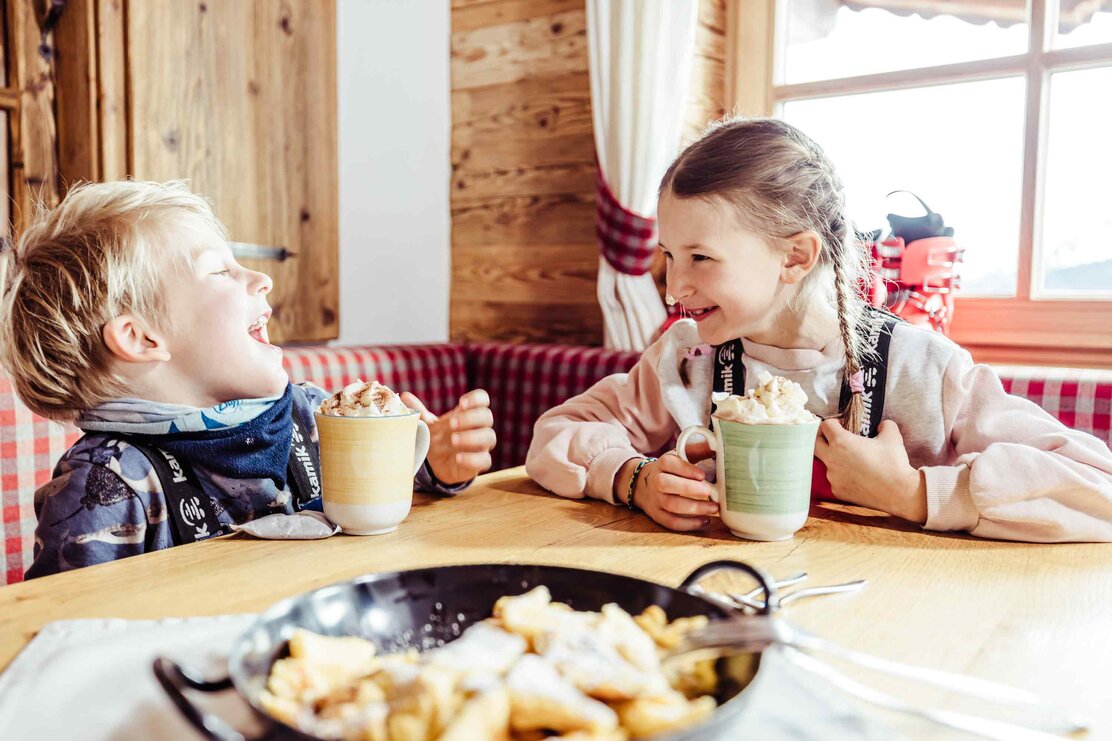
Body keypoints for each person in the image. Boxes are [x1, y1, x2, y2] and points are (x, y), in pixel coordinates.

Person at [527, 117, 1112, 542]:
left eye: (701, 258)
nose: (673, 286)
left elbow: (1098, 490)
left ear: (796, 256)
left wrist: (910, 493)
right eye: (669, 256)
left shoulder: (927, 372)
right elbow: (558, 432)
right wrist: (634, 478)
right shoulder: (686, 360)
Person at [0, 180, 496, 577]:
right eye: (220, 271)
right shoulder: (109, 486)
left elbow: (381, 491)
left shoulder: (313, 415)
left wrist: (436, 462)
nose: (262, 280)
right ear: (142, 338)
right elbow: (65, 643)